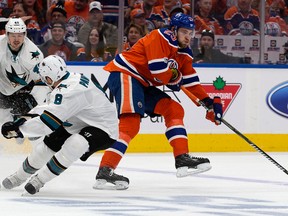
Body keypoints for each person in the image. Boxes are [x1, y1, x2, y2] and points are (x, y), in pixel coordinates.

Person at [93, 13, 223, 190]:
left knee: (174, 109)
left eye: (191, 33)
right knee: (130, 125)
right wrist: (176, 78)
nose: (188, 36)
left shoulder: (184, 52)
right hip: (126, 74)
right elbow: (158, 71)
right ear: (174, 30)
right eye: (184, 32)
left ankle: (182, 159)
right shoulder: (159, 37)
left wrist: (208, 102)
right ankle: (105, 170)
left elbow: (190, 80)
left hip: (142, 82)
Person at [1, 55, 118, 195]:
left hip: (104, 129)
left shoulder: (70, 91)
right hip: (78, 122)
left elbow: (47, 123)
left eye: (44, 78)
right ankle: (19, 176)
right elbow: (46, 108)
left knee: (76, 143)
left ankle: (40, 180)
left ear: (49, 78)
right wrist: (19, 121)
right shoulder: (69, 79)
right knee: (45, 147)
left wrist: (19, 131)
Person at [0, 17, 44, 126]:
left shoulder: (34, 55)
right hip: (2, 88)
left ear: (25, 35)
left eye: (20, 35)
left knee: (31, 123)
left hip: (25, 90)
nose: (16, 39)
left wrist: (39, 107)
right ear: (6, 34)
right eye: (13, 35)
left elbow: (41, 83)